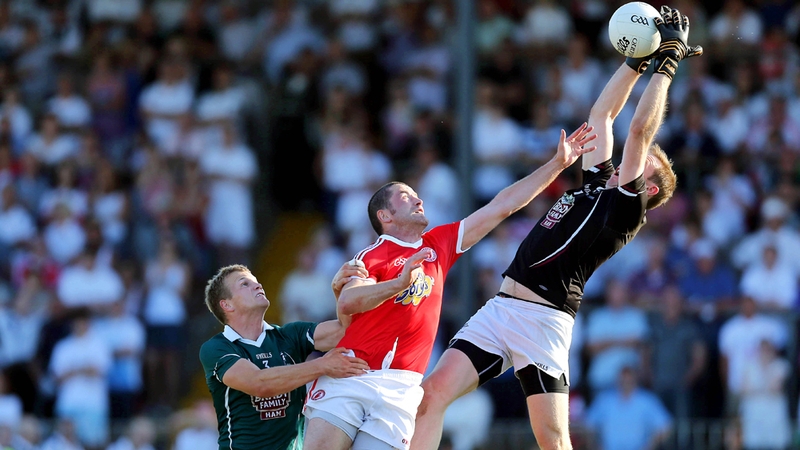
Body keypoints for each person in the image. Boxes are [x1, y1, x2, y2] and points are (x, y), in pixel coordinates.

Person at [411, 7, 698, 450]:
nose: (628, 158)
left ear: (651, 185)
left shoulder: (628, 207)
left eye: (645, 165)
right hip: (501, 308)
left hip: (545, 320)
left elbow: (639, 129)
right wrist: (636, 60)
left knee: (553, 441)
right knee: (430, 397)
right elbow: (602, 115)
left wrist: (669, 61)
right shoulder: (600, 183)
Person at [302, 122, 597, 448]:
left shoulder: (438, 243)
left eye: (417, 195)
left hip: (400, 387)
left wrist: (557, 165)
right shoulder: (372, 255)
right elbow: (348, 302)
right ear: (385, 216)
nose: (418, 200)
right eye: (406, 196)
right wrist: (398, 284)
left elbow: (502, 206)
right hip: (354, 374)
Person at [198, 262, 371, 450]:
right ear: (227, 305)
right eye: (244, 284)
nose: (258, 285)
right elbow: (259, 384)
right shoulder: (216, 348)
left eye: (255, 282)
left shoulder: (289, 334)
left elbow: (346, 331)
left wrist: (340, 293)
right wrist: (323, 365)